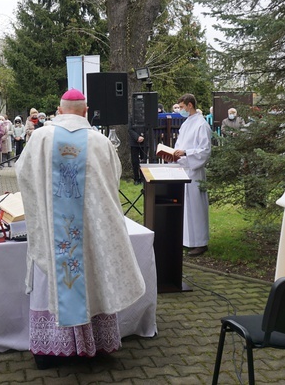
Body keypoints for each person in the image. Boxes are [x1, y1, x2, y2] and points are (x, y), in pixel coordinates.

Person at [16, 88, 145, 370]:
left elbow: (23, 174)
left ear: (59, 111)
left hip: (53, 230)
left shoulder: (39, 138)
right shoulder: (100, 142)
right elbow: (113, 182)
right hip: (89, 231)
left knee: (54, 273)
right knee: (91, 276)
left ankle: (49, 351)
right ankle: (95, 344)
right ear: (86, 112)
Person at [162, 93, 212, 257]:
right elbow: (179, 145)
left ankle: (200, 242)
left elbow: (204, 151)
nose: (180, 110)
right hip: (183, 168)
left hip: (194, 171)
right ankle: (187, 240)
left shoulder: (201, 125)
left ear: (190, 105)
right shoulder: (186, 124)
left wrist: (185, 153)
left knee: (196, 208)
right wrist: (173, 154)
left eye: (182, 107)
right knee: (185, 207)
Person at [127, 117, 147, 184]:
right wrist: (137, 137)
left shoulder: (147, 116)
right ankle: (136, 178)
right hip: (134, 142)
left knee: (144, 160)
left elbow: (149, 128)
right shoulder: (132, 117)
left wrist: (143, 136)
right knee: (135, 161)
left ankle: (142, 178)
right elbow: (130, 129)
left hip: (145, 142)